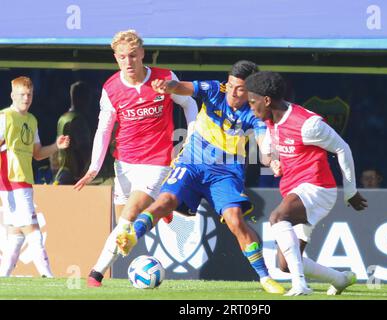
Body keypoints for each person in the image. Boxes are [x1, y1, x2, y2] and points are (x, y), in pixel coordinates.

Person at [116, 60, 286, 294]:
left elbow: (264, 145)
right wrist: (169, 86)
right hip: (192, 163)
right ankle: (132, 236)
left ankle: (265, 277)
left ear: (252, 91)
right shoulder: (216, 89)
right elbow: (184, 87)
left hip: (226, 172)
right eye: (232, 85)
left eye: (241, 89)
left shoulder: (254, 112)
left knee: (235, 219)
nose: (234, 93)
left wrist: (272, 159)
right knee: (165, 202)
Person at [73, 30, 198, 287]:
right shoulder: (111, 88)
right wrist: (94, 168)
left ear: (142, 54)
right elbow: (104, 129)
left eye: (132, 55)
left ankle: (95, 274)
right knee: (124, 232)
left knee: (127, 219)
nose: (128, 62)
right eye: (122, 57)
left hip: (156, 163)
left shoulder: (164, 78)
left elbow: (189, 104)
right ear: (115, 58)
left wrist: (191, 140)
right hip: (124, 164)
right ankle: (163, 207)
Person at [244, 71, 368, 296]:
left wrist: (351, 192)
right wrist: (274, 162)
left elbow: (343, 147)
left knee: (277, 217)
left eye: (253, 102)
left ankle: (300, 285)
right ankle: (340, 279)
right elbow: (270, 153)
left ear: (267, 100)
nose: (251, 107)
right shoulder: (271, 120)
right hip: (295, 190)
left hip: (318, 189)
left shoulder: (307, 124)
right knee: (284, 263)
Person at [0, 76, 70, 277]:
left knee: (16, 234)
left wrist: (57, 146)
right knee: (33, 230)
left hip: (25, 179)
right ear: (12, 95)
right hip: (11, 181)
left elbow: (37, 153)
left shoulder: (32, 120)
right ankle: (47, 276)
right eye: (22, 94)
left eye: (29, 94)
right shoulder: (4, 117)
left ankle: (3, 278)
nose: (26, 98)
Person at [55, 81, 93, 184]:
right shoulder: (78, 120)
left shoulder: (63, 118)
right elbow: (84, 149)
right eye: (87, 97)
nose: (89, 102)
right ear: (81, 98)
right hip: (74, 175)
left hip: (61, 171)